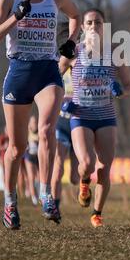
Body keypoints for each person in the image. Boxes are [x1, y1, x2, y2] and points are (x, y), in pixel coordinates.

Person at [0, 0, 81, 229]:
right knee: (16, 148)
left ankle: (47, 194)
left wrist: (70, 43)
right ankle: (11, 201)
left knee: (47, 129)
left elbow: (76, 15)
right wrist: (15, 17)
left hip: (47, 71)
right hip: (19, 72)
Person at [60, 8, 130, 227]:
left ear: (104, 27)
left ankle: (97, 213)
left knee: (104, 167)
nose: (94, 27)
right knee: (87, 163)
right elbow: (53, 81)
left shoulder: (115, 53)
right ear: (83, 27)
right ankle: (84, 181)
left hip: (106, 116)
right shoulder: (74, 53)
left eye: (98, 23)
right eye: (90, 23)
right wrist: (65, 100)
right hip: (81, 114)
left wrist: (120, 90)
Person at [51, 67, 79, 218]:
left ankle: (83, 185)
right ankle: (55, 207)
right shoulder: (60, 69)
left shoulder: (86, 69)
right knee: (58, 166)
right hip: (61, 124)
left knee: (75, 178)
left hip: (79, 126)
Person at [24, 114, 39, 206]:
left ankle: (39, 193)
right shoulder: (26, 131)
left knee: (40, 177)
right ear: (29, 123)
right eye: (33, 122)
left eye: (36, 122)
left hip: (38, 156)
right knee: (31, 176)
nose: (35, 124)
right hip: (29, 155)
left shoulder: (40, 130)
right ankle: (34, 197)